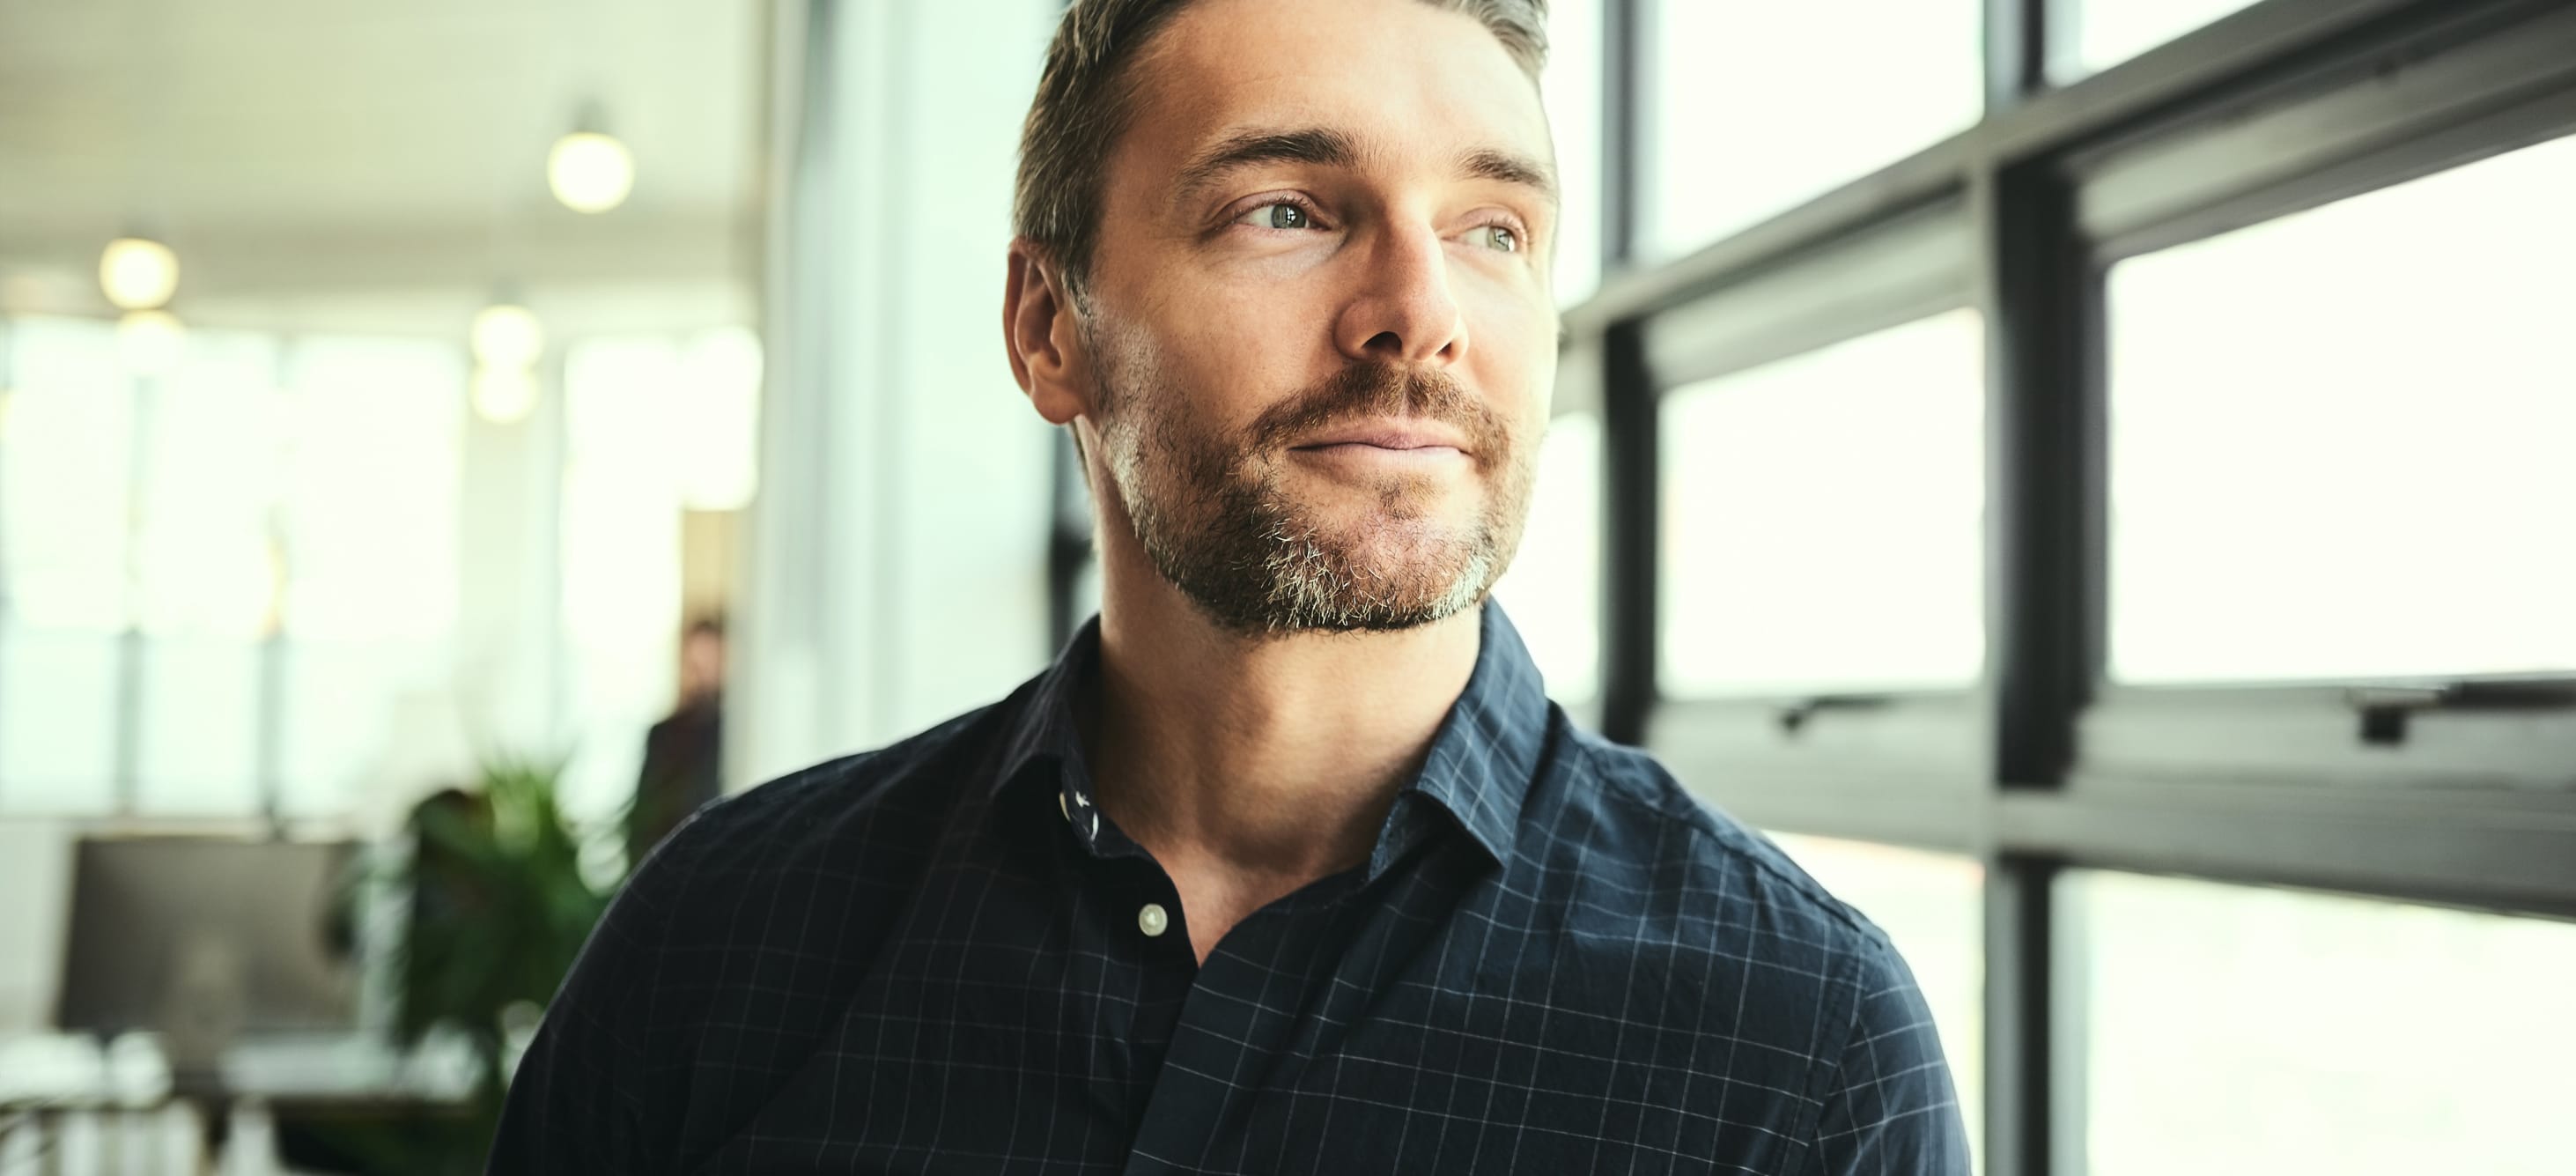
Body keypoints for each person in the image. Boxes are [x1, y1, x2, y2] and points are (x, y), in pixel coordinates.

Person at [487, 0, 1970, 1171]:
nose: (1420, 315)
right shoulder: (723, 945)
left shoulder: (1799, 1052)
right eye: (1288, 210)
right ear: (1048, 326)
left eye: (1492, 229)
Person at [624, 616, 725, 871]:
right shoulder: (666, 734)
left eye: (710, 664)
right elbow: (643, 814)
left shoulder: (739, 733)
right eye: (696, 665)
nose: (703, 677)